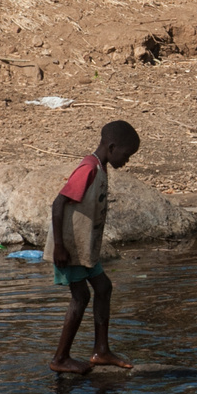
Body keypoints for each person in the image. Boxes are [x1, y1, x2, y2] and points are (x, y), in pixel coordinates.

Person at [49, 121, 140, 373]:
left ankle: (101, 350)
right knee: (81, 297)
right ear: (112, 147)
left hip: (84, 248)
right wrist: (59, 246)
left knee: (104, 287)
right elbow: (58, 204)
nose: (127, 161)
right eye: (126, 155)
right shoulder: (88, 169)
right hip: (70, 248)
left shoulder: (100, 168)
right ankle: (60, 358)